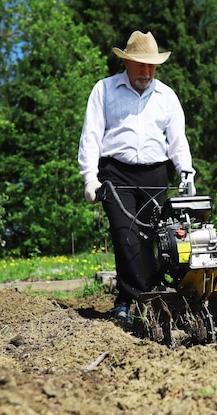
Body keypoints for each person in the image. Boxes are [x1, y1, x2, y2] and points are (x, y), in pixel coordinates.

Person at [78, 31, 196, 322]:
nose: (146, 72)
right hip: (115, 172)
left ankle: (128, 299)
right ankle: (148, 299)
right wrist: (89, 178)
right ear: (127, 62)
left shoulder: (166, 96)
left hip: (155, 174)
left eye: (151, 66)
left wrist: (186, 173)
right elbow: (91, 136)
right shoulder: (104, 90)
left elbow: (177, 140)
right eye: (141, 65)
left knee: (154, 239)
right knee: (125, 236)